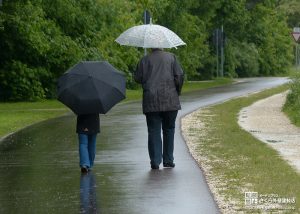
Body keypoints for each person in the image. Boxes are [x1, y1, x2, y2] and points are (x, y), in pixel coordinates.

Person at [134, 48, 184, 170]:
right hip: (170, 99)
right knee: (169, 129)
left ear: (151, 46)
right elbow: (179, 76)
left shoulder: (144, 60)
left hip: (151, 100)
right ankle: (168, 160)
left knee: (153, 130)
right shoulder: (172, 57)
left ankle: (155, 161)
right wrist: (177, 91)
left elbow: (137, 78)